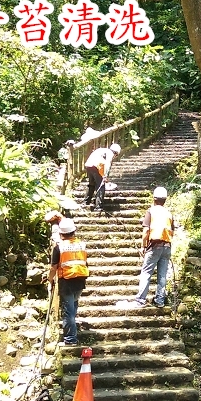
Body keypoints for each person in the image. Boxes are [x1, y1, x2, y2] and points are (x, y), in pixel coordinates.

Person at [47, 218, 88, 346]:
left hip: (67, 281)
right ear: (74, 231)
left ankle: (70, 339)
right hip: (80, 280)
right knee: (74, 305)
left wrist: (49, 279)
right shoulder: (82, 245)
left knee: (68, 312)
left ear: (61, 234)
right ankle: (72, 329)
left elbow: (53, 267)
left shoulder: (60, 248)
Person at [131, 187, 175, 308]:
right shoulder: (169, 213)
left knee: (146, 272)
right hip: (167, 246)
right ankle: (160, 300)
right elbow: (172, 231)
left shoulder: (151, 211)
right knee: (162, 274)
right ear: (165, 200)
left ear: (154, 199)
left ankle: (140, 300)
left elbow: (146, 231)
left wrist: (143, 246)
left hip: (154, 245)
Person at [83, 143, 121, 210]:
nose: (115, 157)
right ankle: (98, 206)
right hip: (96, 167)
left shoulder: (101, 150)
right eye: (116, 155)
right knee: (101, 185)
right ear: (116, 152)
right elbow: (107, 164)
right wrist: (105, 176)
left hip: (89, 166)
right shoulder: (110, 153)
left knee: (91, 185)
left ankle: (86, 202)